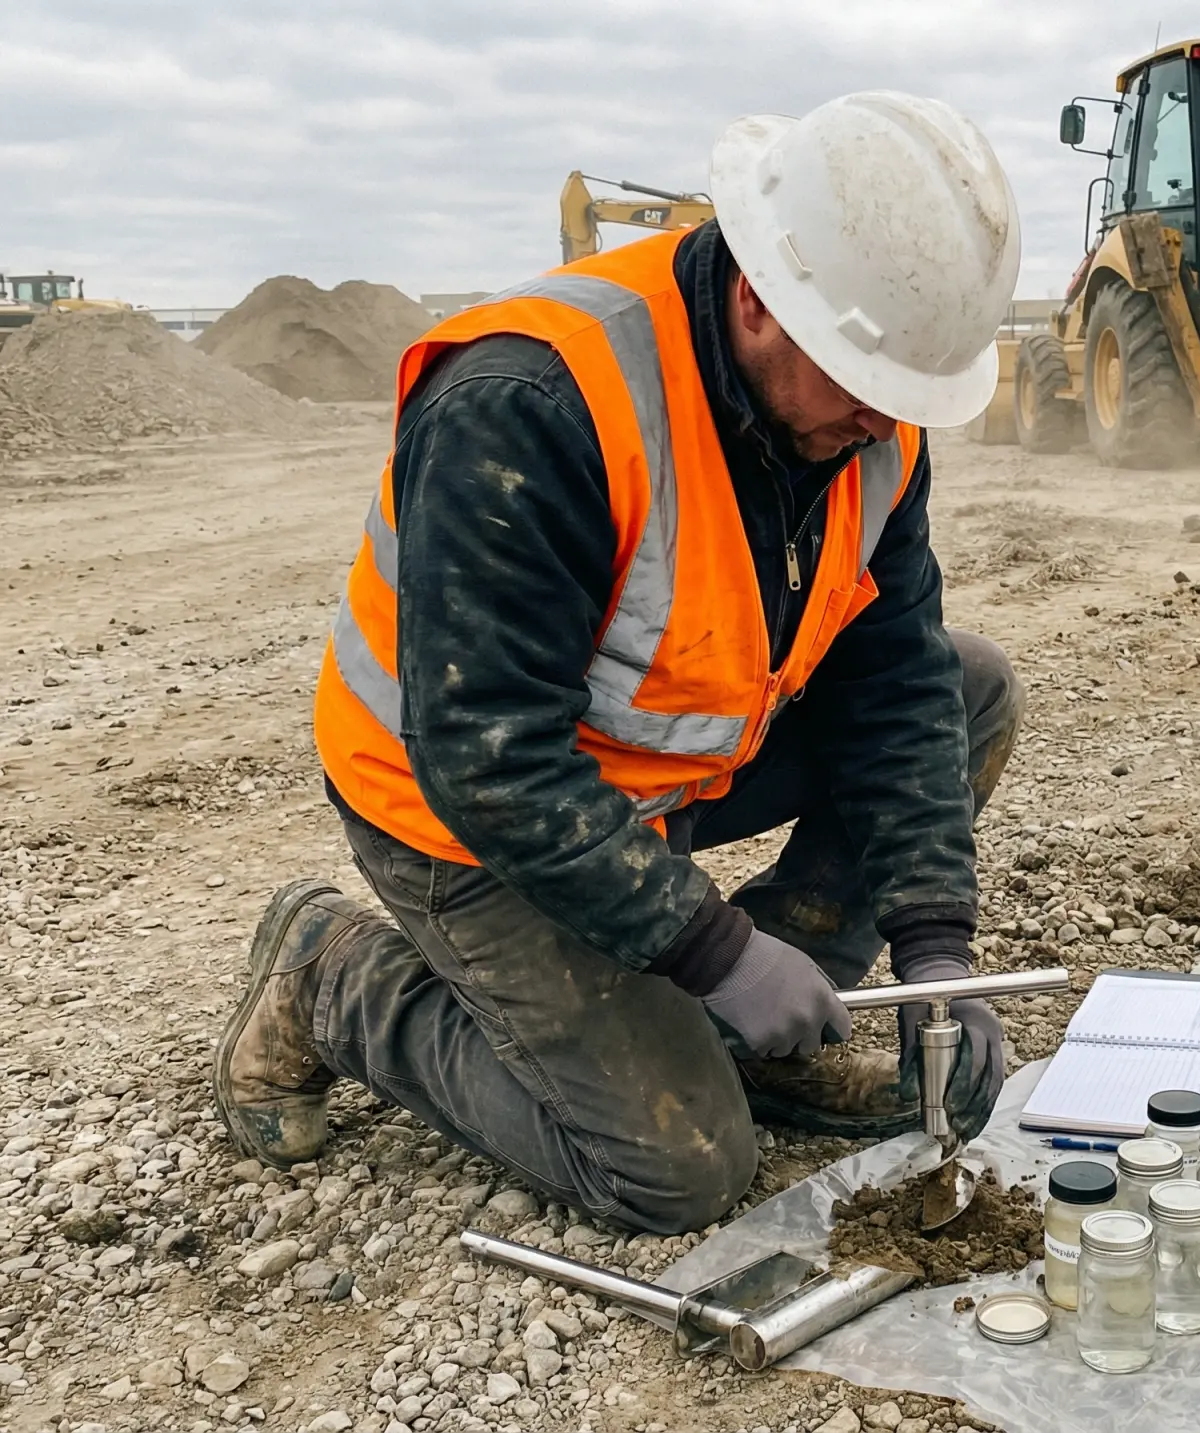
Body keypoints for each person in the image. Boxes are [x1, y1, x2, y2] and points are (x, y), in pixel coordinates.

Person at [211, 91, 1025, 1234]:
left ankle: (752, 1039)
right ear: (759, 297)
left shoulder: (865, 415)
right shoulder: (530, 402)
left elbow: (893, 675)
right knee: (679, 1168)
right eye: (868, 387)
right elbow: (489, 756)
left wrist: (938, 946)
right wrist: (713, 947)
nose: (885, 425)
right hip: (460, 807)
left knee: (971, 685)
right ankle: (332, 975)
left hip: (654, 776)